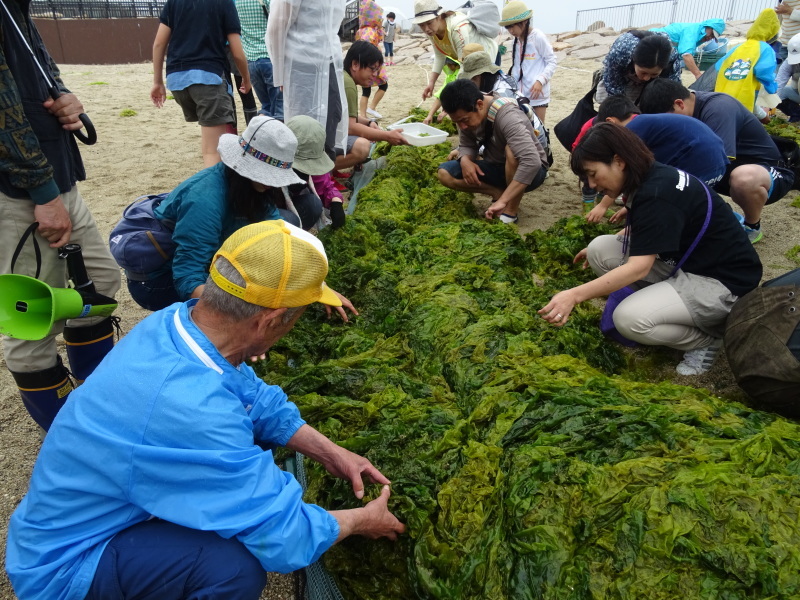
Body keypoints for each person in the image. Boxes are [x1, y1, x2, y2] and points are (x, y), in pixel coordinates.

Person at [6, 220, 405, 600]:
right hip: (64, 569)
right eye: (298, 315)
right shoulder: (194, 409)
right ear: (270, 321)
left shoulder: (177, 324)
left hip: (79, 519)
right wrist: (361, 520)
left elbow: (257, 398)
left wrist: (332, 453)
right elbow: (284, 537)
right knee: (232, 567)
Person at [540, 123, 762, 376]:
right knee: (599, 250)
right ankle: (663, 305)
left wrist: (573, 295)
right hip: (686, 259)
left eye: (593, 174)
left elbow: (639, 267)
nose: (592, 185)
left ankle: (705, 340)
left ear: (619, 161)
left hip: (722, 282)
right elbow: (663, 223)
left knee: (629, 320)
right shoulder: (649, 175)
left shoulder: (657, 194)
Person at [0, 0, 121, 431]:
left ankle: (95, 401)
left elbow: (31, 72)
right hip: (22, 189)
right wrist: (43, 192)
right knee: (32, 318)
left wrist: (62, 93)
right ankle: (71, 434)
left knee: (101, 285)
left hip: (56, 176)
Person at [124, 116, 323, 311]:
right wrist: (232, 313)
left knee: (287, 223)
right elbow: (187, 275)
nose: (273, 183)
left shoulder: (252, 188)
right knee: (244, 306)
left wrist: (317, 288)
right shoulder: (204, 199)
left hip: (205, 254)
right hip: (159, 281)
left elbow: (276, 230)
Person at [639, 78, 795, 243]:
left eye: (666, 120)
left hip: (768, 173)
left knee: (743, 178)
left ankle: (752, 226)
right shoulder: (689, 106)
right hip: (728, 171)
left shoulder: (718, 108)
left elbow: (715, 163)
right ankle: (721, 216)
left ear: (679, 104)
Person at [586, 95, 729, 223]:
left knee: (678, 206)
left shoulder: (632, 129)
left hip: (700, 163)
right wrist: (631, 208)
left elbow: (623, 171)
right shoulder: (646, 121)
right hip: (718, 163)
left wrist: (603, 206)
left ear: (611, 122)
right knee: (693, 202)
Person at [150, 0, 251, 167]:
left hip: (177, 82)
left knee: (209, 140)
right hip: (208, 79)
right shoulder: (224, 3)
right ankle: (214, 191)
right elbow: (237, 53)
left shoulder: (174, 2)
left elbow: (159, 43)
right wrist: (246, 78)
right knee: (213, 152)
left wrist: (157, 81)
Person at [437, 79, 548, 224]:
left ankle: (510, 211)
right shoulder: (465, 113)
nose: (462, 126)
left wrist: (503, 201)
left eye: (464, 120)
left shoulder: (508, 115)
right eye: (457, 122)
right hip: (496, 165)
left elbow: (531, 161)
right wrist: (465, 160)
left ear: (479, 104)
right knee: (444, 173)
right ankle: (497, 192)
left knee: (512, 151)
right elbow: (466, 144)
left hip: (532, 172)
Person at [267, 0, 347, 160]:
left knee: (331, 123)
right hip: (301, 64)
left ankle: (323, 179)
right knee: (303, 133)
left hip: (331, 62)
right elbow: (277, 25)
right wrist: (280, 74)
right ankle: (303, 183)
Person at [457, 50, 551, 160]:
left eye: (472, 80)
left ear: (479, 77)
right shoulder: (499, 81)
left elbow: (506, 135)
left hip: (535, 150)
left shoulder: (502, 95)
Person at [335, 41, 408, 172]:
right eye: (372, 69)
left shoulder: (342, 76)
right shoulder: (348, 84)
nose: (375, 75)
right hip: (319, 143)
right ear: (355, 64)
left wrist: (369, 122)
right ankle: (324, 172)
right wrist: (386, 136)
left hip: (323, 134)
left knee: (365, 133)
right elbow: (350, 127)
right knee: (362, 147)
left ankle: (331, 171)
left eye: (377, 70)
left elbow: (343, 117)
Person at [413, 0, 498, 101]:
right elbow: (440, 57)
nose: (426, 29)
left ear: (439, 17)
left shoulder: (458, 29)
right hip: (468, 63)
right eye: (422, 25)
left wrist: (454, 96)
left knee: (483, 97)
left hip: (487, 57)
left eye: (429, 23)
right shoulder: (432, 32)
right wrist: (431, 83)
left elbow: (464, 65)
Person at [497, 0, 557, 123]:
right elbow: (517, 67)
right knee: (523, 129)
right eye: (507, 27)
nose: (511, 30)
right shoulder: (517, 40)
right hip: (520, 95)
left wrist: (541, 81)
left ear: (524, 21)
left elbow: (552, 61)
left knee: (538, 131)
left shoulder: (537, 37)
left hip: (537, 96)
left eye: (512, 25)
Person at [713, 8, 779, 113]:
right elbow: (764, 72)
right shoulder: (765, 48)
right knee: (741, 121)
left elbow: (718, 66)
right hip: (744, 95)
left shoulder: (738, 47)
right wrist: (772, 88)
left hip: (723, 93)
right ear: (772, 31)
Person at [285, 115, 343, 228]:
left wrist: (336, 202)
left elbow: (326, 186)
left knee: (314, 204)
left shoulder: (311, 171)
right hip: (267, 214)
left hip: (292, 204)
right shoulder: (269, 165)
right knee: (290, 219)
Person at [597, 30, 680, 104]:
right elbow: (614, 88)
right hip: (624, 74)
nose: (646, 78)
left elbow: (671, 91)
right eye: (643, 72)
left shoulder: (671, 56)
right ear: (634, 61)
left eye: (654, 74)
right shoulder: (621, 51)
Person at [235, 0, 284, 120]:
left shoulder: (237, 2)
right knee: (280, 109)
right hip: (270, 57)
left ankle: (260, 130)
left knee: (266, 107)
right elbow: (279, 23)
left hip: (251, 61)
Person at [650, 19, 725, 79]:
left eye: (713, 37)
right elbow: (686, 55)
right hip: (652, 41)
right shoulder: (692, 30)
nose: (710, 38)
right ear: (708, 27)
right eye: (712, 34)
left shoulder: (699, 35)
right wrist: (698, 75)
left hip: (662, 49)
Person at [356, 0, 389, 120]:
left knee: (366, 90)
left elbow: (379, 38)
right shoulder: (369, 30)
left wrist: (379, 27)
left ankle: (364, 115)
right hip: (371, 63)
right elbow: (369, 45)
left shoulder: (362, 29)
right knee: (384, 85)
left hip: (365, 63)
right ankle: (371, 108)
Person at [776, 32, 800, 121]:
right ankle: (797, 115)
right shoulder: (789, 62)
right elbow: (779, 83)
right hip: (797, 91)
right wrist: (768, 105)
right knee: (776, 94)